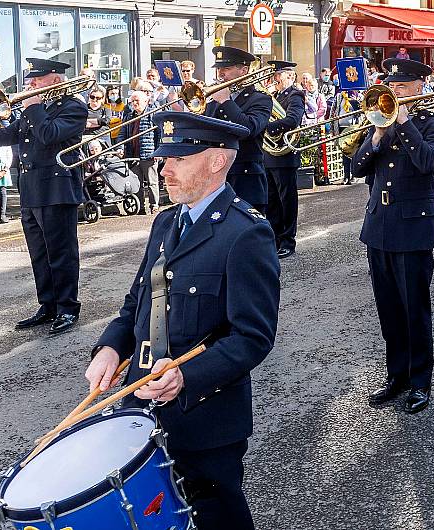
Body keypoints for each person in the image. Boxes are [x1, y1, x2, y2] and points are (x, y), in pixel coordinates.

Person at [85, 111, 280, 530]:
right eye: (164, 157)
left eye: (178, 159)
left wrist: (186, 376)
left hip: (204, 416)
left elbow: (253, 336)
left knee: (215, 515)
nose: (165, 168)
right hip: (141, 404)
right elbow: (136, 302)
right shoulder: (166, 221)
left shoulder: (246, 233)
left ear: (217, 161)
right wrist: (109, 347)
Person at [350, 58, 434, 414]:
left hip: (412, 227)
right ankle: (397, 376)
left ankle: (421, 381)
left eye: (403, 87)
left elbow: (427, 164)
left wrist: (404, 122)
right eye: (392, 87)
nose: (395, 93)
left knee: (414, 309)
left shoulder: (433, 124)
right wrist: (375, 137)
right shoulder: (379, 123)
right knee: (389, 309)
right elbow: (355, 169)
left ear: (420, 87)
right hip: (378, 225)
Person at [0, 58, 87, 334]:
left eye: (37, 78)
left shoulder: (73, 107)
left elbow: (50, 135)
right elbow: (7, 136)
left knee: (61, 253)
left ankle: (67, 308)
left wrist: (34, 107)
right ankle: (48, 305)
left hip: (57, 190)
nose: (31, 83)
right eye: (31, 79)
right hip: (31, 190)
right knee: (39, 254)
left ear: (56, 80)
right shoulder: (34, 110)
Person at [204, 46, 272, 212]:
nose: (220, 74)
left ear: (244, 70)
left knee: (249, 233)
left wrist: (226, 102)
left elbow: (249, 129)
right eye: (218, 69)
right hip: (217, 177)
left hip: (245, 178)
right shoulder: (214, 100)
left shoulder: (260, 99)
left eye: (226, 69)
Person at [263, 60, 306, 260]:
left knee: (286, 200)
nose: (275, 79)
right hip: (269, 155)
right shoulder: (272, 96)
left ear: (290, 76)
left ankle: (288, 241)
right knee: (271, 200)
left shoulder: (295, 95)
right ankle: (275, 239)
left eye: (278, 75)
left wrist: (267, 127)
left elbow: (292, 120)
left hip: (284, 155)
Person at [118, 82, 161, 214]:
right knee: (137, 183)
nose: (134, 104)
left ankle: (154, 205)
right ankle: (140, 206)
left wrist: (159, 151)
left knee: (152, 182)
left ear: (145, 101)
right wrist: (120, 147)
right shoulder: (128, 117)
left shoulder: (152, 115)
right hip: (133, 154)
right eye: (132, 101)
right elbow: (122, 134)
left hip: (148, 154)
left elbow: (159, 134)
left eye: (137, 101)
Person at [0, 122, 11, 223]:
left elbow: (9, 156)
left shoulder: (5, 142)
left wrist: (4, 170)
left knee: (2, 192)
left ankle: (2, 214)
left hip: (3, 170)